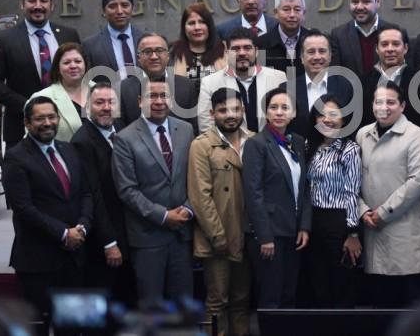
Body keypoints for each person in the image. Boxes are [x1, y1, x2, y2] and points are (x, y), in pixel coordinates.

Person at [2, 96, 93, 336]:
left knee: (72, 327)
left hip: (74, 259)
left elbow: (85, 193)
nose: (47, 123)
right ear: (27, 123)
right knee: (39, 328)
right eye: (39, 118)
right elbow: (23, 208)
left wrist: (82, 227)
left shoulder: (69, 149)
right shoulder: (15, 157)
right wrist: (64, 233)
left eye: (51, 117)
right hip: (38, 261)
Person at [112, 79, 196, 304]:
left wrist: (188, 208)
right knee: (152, 308)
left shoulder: (186, 130)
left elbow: (197, 177)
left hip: (182, 234)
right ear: (140, 101)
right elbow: (127, 189)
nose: (159, 101)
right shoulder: (124, 138)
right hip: (148, 237)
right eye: (152, 96)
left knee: (184, 305)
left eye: (163, 96)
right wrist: (163, 216)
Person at [357, 81, 420, 307]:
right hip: (371, 230)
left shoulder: (416, 135)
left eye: (390, 102)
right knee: (380, 306)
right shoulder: (362, 134)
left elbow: (418, 181)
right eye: (379, 102)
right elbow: (352, 179)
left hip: (404, 232)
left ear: (402, 106)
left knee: (408, 308)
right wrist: (363, 211)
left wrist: (383, 212)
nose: (384, 107)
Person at [188, 88, 253, 335]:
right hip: (218, 238)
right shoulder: (202, 145)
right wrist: (217, 236)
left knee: (242, 301)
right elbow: (200, 196)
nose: (230, 115)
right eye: (224, 110)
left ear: (243, 111)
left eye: (236, 109)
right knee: (217, 302)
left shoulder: (253, 140)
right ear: (212, 113)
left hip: (247, 235)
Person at [242, 87, 311, 308]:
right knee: (270, 297)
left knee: (289, 294)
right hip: (270, 234)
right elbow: (253, 193)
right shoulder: (257, 144)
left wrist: (304, 226)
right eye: (273, 107)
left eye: (285, 108)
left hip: (293, 233)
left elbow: (304, 188)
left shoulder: (298, 142)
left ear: (293, 114)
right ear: (266, 113)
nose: (279, 112)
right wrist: (264, 237)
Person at [0, 0, 80, 147]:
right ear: (22, 4)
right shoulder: (5, 39)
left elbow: (79, 76)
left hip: (67, 126)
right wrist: (28, 106)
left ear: (52, 5)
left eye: (43, 1)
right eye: (32, 0)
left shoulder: (69, 35)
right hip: (20, 126)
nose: (38, 5)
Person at [70, 83, 135, 305]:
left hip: (130, 232)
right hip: (106, 241)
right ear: (87, 107)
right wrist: (109, 243)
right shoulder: (82, 142)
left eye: (111, 102)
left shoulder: (122, 128)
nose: (106, 108)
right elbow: (93, 197)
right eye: (99, 103)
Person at [305, 94, 362, 307]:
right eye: (321, 115)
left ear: (343, 120)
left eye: (333, 115)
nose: (327, 119)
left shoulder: (349, 150)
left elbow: (352, 192)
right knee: (318, 283)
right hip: (313, 221)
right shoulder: (310, 148)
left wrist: (353, 233)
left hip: (339, 222)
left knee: (341, 284)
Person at [198, 28, 286, 133]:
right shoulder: (209, 83)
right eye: (235, 49)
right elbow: (206, 127)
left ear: (257, 51)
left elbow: (286, 117)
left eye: (247, 48)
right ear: (226, 53)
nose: (242, 53)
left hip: (271, 146)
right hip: (228, 147)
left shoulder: (278, 78)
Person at [119, 32, 198, 133]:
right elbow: (121, 132)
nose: (154, 56)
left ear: (168, 55)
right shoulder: (123, 89)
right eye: (147, 52)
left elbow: (194, 130)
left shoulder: (187, 86)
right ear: (139, 57)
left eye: (159, 51)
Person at [331, 0, 409, 79]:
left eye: (366, 1)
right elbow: (336, 76)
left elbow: (404, 71)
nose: (359, 7)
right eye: (355, 2)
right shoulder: (338, 35)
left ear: (378, 2)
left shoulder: (395, 32)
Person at [284, 30, 354, 138]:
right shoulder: (287, 89)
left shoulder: (345, 86)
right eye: (311, 52)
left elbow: (351, 127)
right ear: (302, 57)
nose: (317, 57)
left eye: (322, 51)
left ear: (330, 56)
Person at [362, 27, 420, 128]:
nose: (390, 49)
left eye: (396, 44)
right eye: (384, 44)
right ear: (377, 49)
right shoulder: (363, 82)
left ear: (406, 48)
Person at [81, 0, 146, 79]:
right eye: (112, 6)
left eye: (125, 5)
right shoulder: (90, 45)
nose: (119, 11)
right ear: (103, 11)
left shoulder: (145, 39)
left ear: (132, 9)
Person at [28, 43, 89, 141]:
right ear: (58, 68)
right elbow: (32, 141)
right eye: (66, 62)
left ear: (85, 64)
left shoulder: (101, 91)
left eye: (78, 61)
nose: (73, 66)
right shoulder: (41, 97)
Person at [169, 2, 226, 94]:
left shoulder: (225, 50)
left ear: (209, 26)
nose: (197, 27)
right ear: (184, 28)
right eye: (191, 23)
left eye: (202, 22)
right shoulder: (173, 53)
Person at [256, 0, 310, 76]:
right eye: (286, 9)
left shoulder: (314, 41)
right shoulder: (262, 43)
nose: (292, 15)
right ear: (276, 13)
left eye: (297, 10)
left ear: (304, 13)